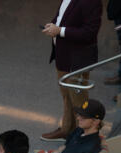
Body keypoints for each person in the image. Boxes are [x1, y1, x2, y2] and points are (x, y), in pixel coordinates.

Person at [40, 0, 102, 141]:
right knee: (66, 96)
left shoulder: (92, 2)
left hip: (77, 60)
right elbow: (62, 16)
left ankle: (83, 137)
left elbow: (89, 32)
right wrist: (53, 25)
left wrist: (59, 31)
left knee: (79, 101)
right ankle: (67, 129)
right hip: (63, 56)